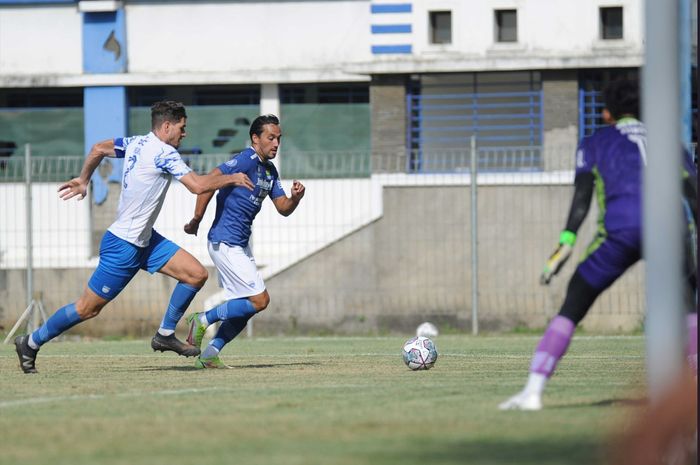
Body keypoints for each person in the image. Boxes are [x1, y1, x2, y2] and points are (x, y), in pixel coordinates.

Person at [498, 80, 698, 410]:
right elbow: (692, 188)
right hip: (671, 228)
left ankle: (532, 391)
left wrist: (566, 243)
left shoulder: (595, 142)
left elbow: (582, 198)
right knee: (690, 307)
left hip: (621, 230)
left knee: (574, 303)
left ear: (607, 114)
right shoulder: (667, 141)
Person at [14, 101, 255, 374]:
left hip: (146, 241)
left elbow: (98, 148)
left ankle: (164, 334)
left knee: (195, 274)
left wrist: (84, 179)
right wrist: (231, 178)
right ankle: (31, 342)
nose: (184, 134)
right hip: (123, 246)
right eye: (182, 128)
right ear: (167, 126)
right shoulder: (165, 153)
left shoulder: (136, 143)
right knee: (87, 309)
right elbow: (197, 186)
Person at [183, 114, 305, 369]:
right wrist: (196, 218)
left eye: (279, 139)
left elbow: (282, 207)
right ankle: (203, 319)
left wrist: (295, 198)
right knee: (260, 300)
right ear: (255, 138)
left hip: (239, 244)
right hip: (225, 242)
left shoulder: (269, 170)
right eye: (271, 138)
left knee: (247, 307)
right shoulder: (244, 160)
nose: (276, 144)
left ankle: (210, 353)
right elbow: (207, 183)